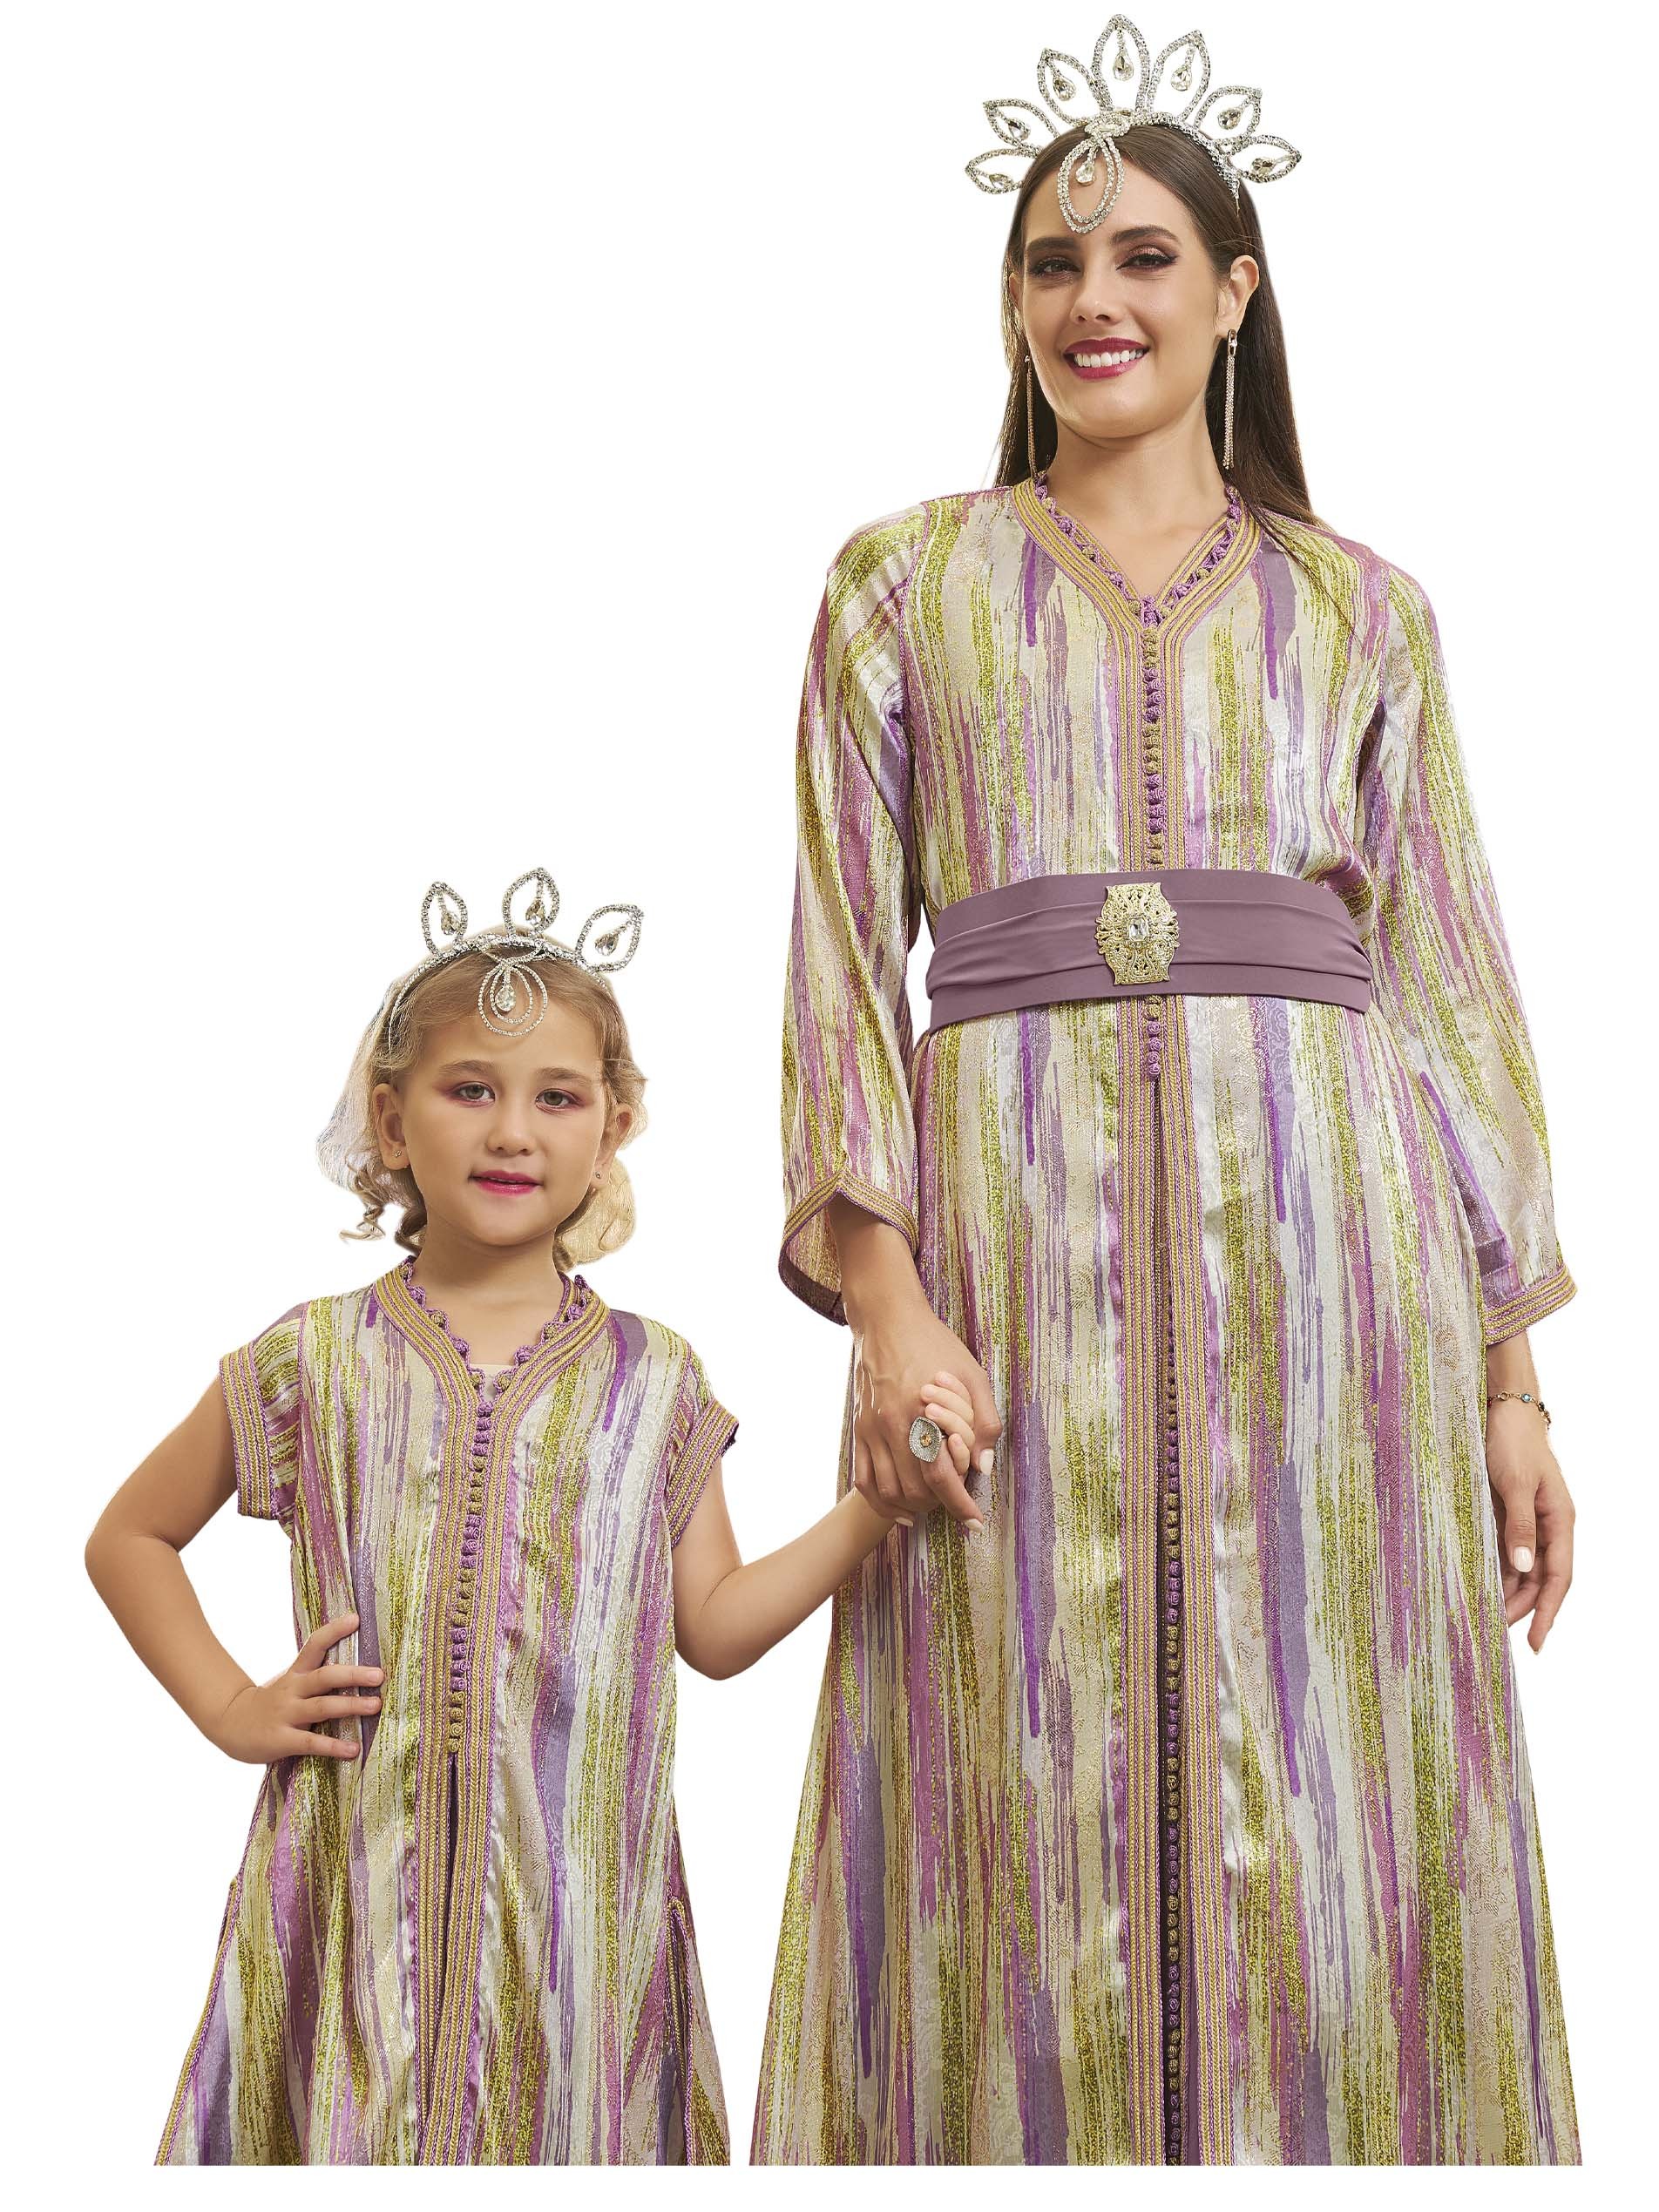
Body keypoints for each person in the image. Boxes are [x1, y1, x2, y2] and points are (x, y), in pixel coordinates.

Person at [748, 15, 1581, 2167]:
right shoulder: (896, 584)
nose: (1090, 300)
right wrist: (886, 1302)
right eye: (1050, 263)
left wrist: (1509, 1379)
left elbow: (1449, 989)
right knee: (997, 1747)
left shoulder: (1362, 611)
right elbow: (838, 965)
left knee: (1332, 1745)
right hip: (999, 1249)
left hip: (1333, 1262)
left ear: (1233, 292)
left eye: (1137, 257)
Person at [85, 867, 973, 2165]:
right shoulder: (310, 1362)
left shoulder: (656, 1382)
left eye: (557, 1097)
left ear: (613, 1131)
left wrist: (869, 1512)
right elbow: (128, 1537)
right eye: (469, 1090)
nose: (513, 1131)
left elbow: (717, 1628)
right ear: (390, 1119)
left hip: (582, 1942)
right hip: (355, 1904)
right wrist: (231, 1707)